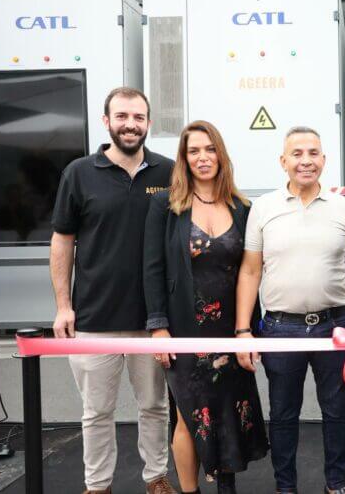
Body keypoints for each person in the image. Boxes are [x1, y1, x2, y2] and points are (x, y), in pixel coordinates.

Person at [50, 87, 176, 494]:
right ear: (106, 121)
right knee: (96, 412)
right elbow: (62, 240)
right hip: (93, 319)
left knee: (155, 407)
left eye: (138, 117)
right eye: (122, 116)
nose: (130, 125)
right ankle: (97, 485)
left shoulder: (168, 172)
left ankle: (156, 478)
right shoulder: (79, 173)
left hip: (152, 321)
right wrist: (64, 306)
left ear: (148, 123)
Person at [143, 121, 269, 493]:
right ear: (184, 159)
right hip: (184, 329)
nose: (203, 157)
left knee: (228, 411)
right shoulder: (165, 205)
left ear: (221, 155)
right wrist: (158, 326)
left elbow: (251, 271)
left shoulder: (242, 207)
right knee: (188, 415)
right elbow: (152, 267)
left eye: (210, 149)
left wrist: (249, 331)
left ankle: (226, 488)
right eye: (194, 151)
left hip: (231, 328)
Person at [235, 126, 345, 494]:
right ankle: (285, 487)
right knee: (283, 414)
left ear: (324, 160)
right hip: (280, 328)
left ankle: (336, 485)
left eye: (313, 153)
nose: (306, 161)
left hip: (334, 326)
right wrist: (243, 331)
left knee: (337, 411)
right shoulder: (263, 207)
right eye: (297, 154)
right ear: (283, 161)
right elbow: (250, 270)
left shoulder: (344, 207)